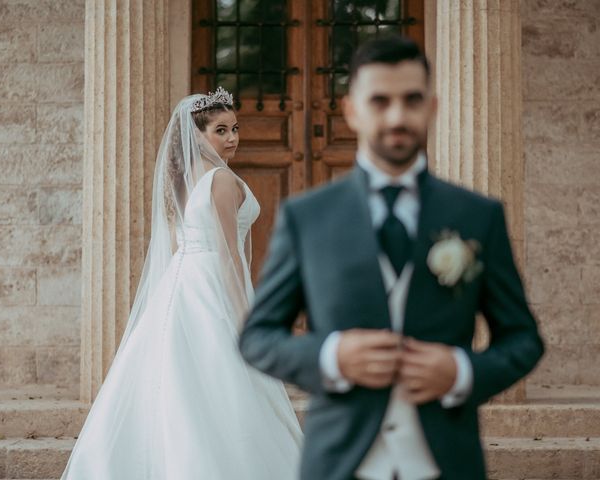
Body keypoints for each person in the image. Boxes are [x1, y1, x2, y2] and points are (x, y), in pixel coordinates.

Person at [239, 37, 544, 480]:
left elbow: (523, 339)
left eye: (412, 100)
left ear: (433, 107)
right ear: (351, 110)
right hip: (340, 463)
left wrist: (461, 372)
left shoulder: (478, 216)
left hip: (447, 463)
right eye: (380, 101)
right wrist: (332, 357)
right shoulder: (308, 217)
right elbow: (258, 337)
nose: (397, 117)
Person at [62, 88, 301, 479]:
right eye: (220, 130)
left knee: (178, 380)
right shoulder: (221, 180)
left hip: (182, 279)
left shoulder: (184, 178)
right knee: (220, 380)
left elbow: (180, 241)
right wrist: (246, 316)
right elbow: (227, 255)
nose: (232, 138)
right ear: (197, 136)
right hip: (211, 284)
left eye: (235, 128)